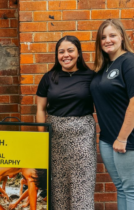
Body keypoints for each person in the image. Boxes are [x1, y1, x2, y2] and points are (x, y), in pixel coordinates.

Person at [90, 19, 134, 210]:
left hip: (133, 139)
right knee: (122, 189)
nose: (108, 40)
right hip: (110, 138)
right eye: (103, 37)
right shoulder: (104, 66)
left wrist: (122, 138)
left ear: (122, 37)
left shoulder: (131, 62)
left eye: (112, 35)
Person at [36, 35, 96, 209]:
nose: (65, 55)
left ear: (78, 53)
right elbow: (40, 109)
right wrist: (42, 138)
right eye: (61, 52)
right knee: (58, 185)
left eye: (70, 50)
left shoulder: (91, 76)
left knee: (82, 184)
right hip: (55, 137)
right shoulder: (49, 77)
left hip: (82, 136)